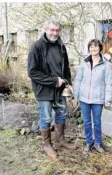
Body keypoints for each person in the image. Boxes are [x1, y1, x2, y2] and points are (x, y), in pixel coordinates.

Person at [27, 17, 77, 159]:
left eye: (57, 30)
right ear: (45, 29)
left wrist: (68, 83)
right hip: (44, 91)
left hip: (60, 89)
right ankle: (47, 145)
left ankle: (60, 141)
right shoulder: (37, 46)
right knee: (46, 117)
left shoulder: (61, 46)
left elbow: (66, 67)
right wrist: (54, 80)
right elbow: (32, 72)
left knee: (61, 113)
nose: (54, 33)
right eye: (52, 30)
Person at [73, 39, 112, 153]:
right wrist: (75, 97)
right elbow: (78, 80)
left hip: (98, 98)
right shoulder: (84, 62)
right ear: (89, 48)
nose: (93, 49)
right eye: (91, 47)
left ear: (100, 48)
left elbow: (108, 83)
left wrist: (108, 99)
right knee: (86, 122)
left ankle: (98, 143)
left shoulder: (106, 64)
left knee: (97, 122)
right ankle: (89, 143)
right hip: (84, 98)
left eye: (95, 47)